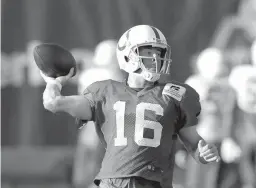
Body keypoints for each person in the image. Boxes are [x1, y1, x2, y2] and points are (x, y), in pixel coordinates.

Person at [40, 25, 220, 188]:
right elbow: (53, 103)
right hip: (113, 183)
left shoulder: (175, 94)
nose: (156, 58)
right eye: (149, 52)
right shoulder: (105, 91)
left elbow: (195, 145)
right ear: (127, 55)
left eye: (159, 53)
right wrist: (53, 83)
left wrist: (203, 153)